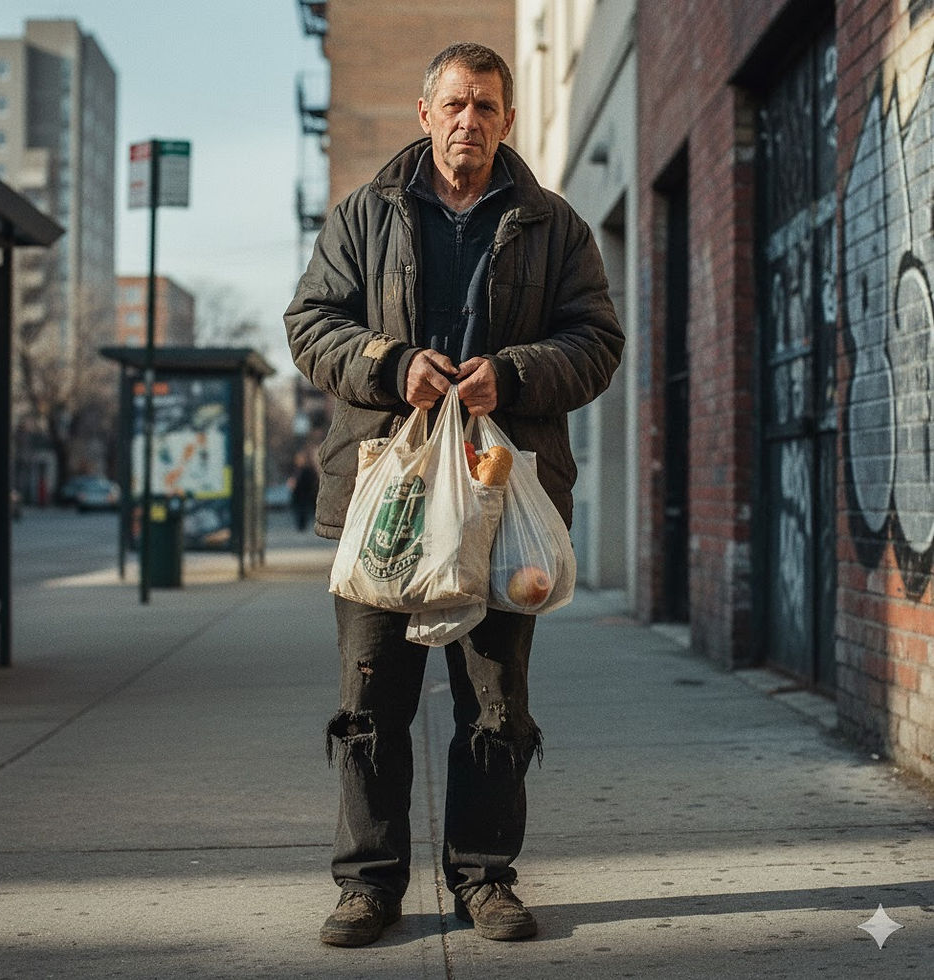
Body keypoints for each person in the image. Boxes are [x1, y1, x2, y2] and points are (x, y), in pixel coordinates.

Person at [285, 41, 624, 947]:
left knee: (494, 705)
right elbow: (310, 324)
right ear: (425, 114)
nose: (469, 121)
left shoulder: (556, 225)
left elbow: (596, 339)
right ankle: (368, 884)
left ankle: (484, 878)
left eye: (486, 107)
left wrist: (510, 377)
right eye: (455, 105)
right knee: (370, 700)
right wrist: (393, 365)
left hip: (500, 501)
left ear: (507, 122)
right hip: (385, 499)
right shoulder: (363, 216)